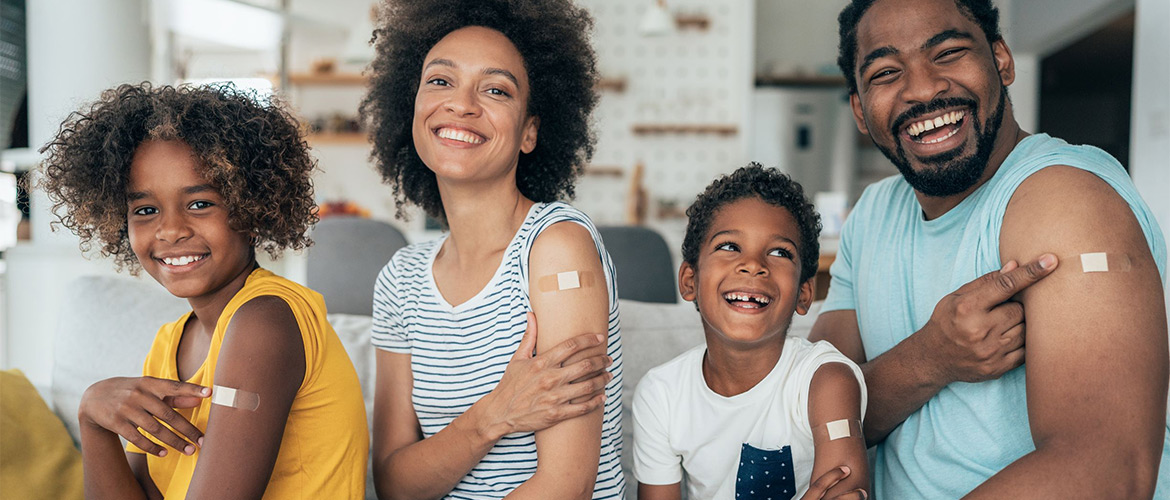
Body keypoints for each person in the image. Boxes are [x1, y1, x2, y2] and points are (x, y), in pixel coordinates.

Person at [810, 0, 1169, 497]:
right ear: (860, 111)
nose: (922, 88)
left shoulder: (1062, 198)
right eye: (887, 72)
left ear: (1001, 60)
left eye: (949, 52)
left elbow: (1107, 471)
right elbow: (806, 416)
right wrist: (930, 358)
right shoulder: (871, 215)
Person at [37, 83, 369, 499]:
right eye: (145, 210)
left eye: (199, 204)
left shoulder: (264, 321)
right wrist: (92, 421)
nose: (171, 229)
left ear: (253, 206)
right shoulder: (169, 342)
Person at [361, 0, 625, 498]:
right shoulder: (400, 279)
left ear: (529, 132)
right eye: (440, 81)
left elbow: (566, 486)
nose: (461, 104)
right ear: (410, 107)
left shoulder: (557, 247)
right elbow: (396, 484)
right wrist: (493, 414)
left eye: (496, 90)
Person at [633, 165, 869, 500]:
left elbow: (847, 494)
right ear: (690, 281)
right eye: (729, 246)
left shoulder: (826, 382)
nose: (753, 264)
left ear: (804, 294)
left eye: (779, 252)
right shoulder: (661, 395)